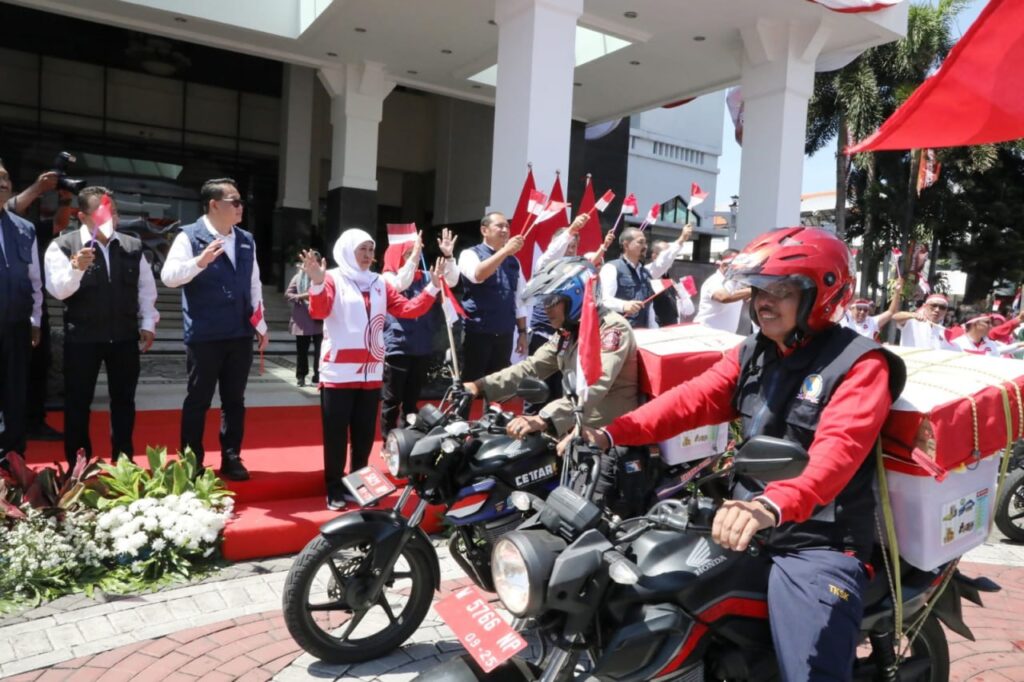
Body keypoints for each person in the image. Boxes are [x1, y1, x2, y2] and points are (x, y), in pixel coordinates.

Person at [580, 226, 907, 681]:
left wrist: (769, 506)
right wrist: (610, 434)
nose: (763, 301)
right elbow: (691, 399)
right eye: (758, 290)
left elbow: (838, 454)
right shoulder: (754, 351)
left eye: (782, 290)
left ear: (823, 295)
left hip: (815, 541)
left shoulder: (859, 364)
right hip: (743, 521)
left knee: (810, 671)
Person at [467, 257, 646, 516]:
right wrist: (480, 386)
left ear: (574, 296)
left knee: (589, 523)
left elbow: (594, 385)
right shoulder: (567, 333)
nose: (545, 308)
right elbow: (531, 367)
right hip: (577, 433)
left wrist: (543, 418)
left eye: (552, 301)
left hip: (610, 439)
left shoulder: (610, 329)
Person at [304, 229, 445, 510]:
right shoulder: (332, 278)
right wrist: (317, 284)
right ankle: (333, 486)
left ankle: (357, 482)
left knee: (364, 434)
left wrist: (433, 287)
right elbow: (319, 313)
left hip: (370, 373)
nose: (369, 256)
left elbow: (408, 309)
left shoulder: (380, 282)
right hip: (339, 373)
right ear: (347, 251)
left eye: (371, 250)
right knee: (335, 435)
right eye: (362, 250)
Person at [161, 178, 268, 481]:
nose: (240, 207)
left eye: (241, 201)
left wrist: (260, 324)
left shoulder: (245, 238)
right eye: (234, 201)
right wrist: (200, 261)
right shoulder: (189, 237)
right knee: (199, 398)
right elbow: (169, 276)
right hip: (205, 333)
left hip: (239, 332)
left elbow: (253, 283)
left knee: (235, 400)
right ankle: (191, 460)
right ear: (213, 205)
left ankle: (232, 457)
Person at [44, 187, 159, 465]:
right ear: (82, 216)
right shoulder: (63, 245)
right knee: (78, 403)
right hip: (82, 338)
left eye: (114, 211)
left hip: (122, 337)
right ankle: (79, 464)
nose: (110, 218)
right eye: (101, 213)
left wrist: (147, 322)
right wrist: (76, 268)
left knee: (123, 402)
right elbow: (58, 290)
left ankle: (124, 461)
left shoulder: (131, 246)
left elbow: (146, 289)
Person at [7, 169, 72, 442]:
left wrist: (65, 199)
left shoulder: (27, 228)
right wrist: (38, 186)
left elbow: (59, 223)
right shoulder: (9, 219)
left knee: (37, 366)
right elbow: (9, 204)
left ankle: (33, 422)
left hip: (31, 306)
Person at [380, 227, 459, 435]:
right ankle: (388, 439)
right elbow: (400, 284)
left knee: (412, 400)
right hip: (397, 346)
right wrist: (414, 257)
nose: (413, 258)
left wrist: (448, 256)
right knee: (392, 399)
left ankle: (408, 436)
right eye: (406, 254)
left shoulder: (426, 276)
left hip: (422, 345)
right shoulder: (388, 278)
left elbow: (451, 282)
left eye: (414, 253)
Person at [524, 214, 590, 413]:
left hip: (567, 338)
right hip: (543, 335)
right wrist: (570, 232)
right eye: (567, 245)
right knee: (537, 386)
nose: (570, 250)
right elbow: (551, 255)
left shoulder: (576, 271)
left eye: (574, 247)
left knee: (561, 388)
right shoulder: (545, 266)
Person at [0, 159, 44, 458]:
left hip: (16, 323)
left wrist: (36, 319)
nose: (4, 183)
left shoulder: (24, 228)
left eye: (6, 178)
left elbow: (35, 279)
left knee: (15, 390)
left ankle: (12, 456)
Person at [457, 212, 530, 381]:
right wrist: (504, 251)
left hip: (504, 332)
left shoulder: (513, 261)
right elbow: (478, 275)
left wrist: (522, 332)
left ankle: (492, 409)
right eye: (500, 226)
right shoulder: (470, 254)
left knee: (498, 385)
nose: (505, 230)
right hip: (477, 331)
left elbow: (519, 299)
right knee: (470, 383)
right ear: (484, 230)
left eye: (507, 227)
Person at [600, 224, 692, 329]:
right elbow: (603, 301)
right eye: (640, 242)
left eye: (645, 242)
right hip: (619, 334)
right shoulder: (612, 268)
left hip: (642, 335)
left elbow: (650, 309)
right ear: (626, 245)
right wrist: (623, 305)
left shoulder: (645, 273)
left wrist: (654, 330)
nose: (645, 246)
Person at [285, 251, 324, 388]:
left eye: (315, 261)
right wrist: (302, 297)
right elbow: (288, 294)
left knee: (320, 351)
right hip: (302, 320)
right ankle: (301, 376)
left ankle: (318, 376)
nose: (313, 264)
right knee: (302, 351)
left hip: (319, 320)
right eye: (310, 261)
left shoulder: (323, 277)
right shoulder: (298, 277)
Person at [693, 248, 752, 332]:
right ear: (724, 265)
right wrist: (752, 291)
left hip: (726, 337)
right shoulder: (714, 280)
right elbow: (724, 298)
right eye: (737, 265)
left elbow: (744, 296)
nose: (740, 268)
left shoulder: (736, 282)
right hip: (705, 334)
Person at [648, 240, 697, 327]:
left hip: (672, 328)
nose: (671, 258)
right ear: (654, 256)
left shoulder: (671, 277)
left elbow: (689, 310)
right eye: (667, 254)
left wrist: (680, 290)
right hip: (656, 330)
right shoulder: (647, 274)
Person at [892, 293, 957, 350]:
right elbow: (894, 316)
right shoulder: (912, 321)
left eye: (942, 307)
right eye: (933, 305)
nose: (937, 310)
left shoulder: (944, 331)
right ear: (925, 306)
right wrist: (912, 315)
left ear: (946, 311)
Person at [951, 312, 1024, 356]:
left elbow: (1002, 350)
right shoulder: (957, 345)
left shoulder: (991, 344)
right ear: (975, 324)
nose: (991, 326)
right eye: (987, 323)